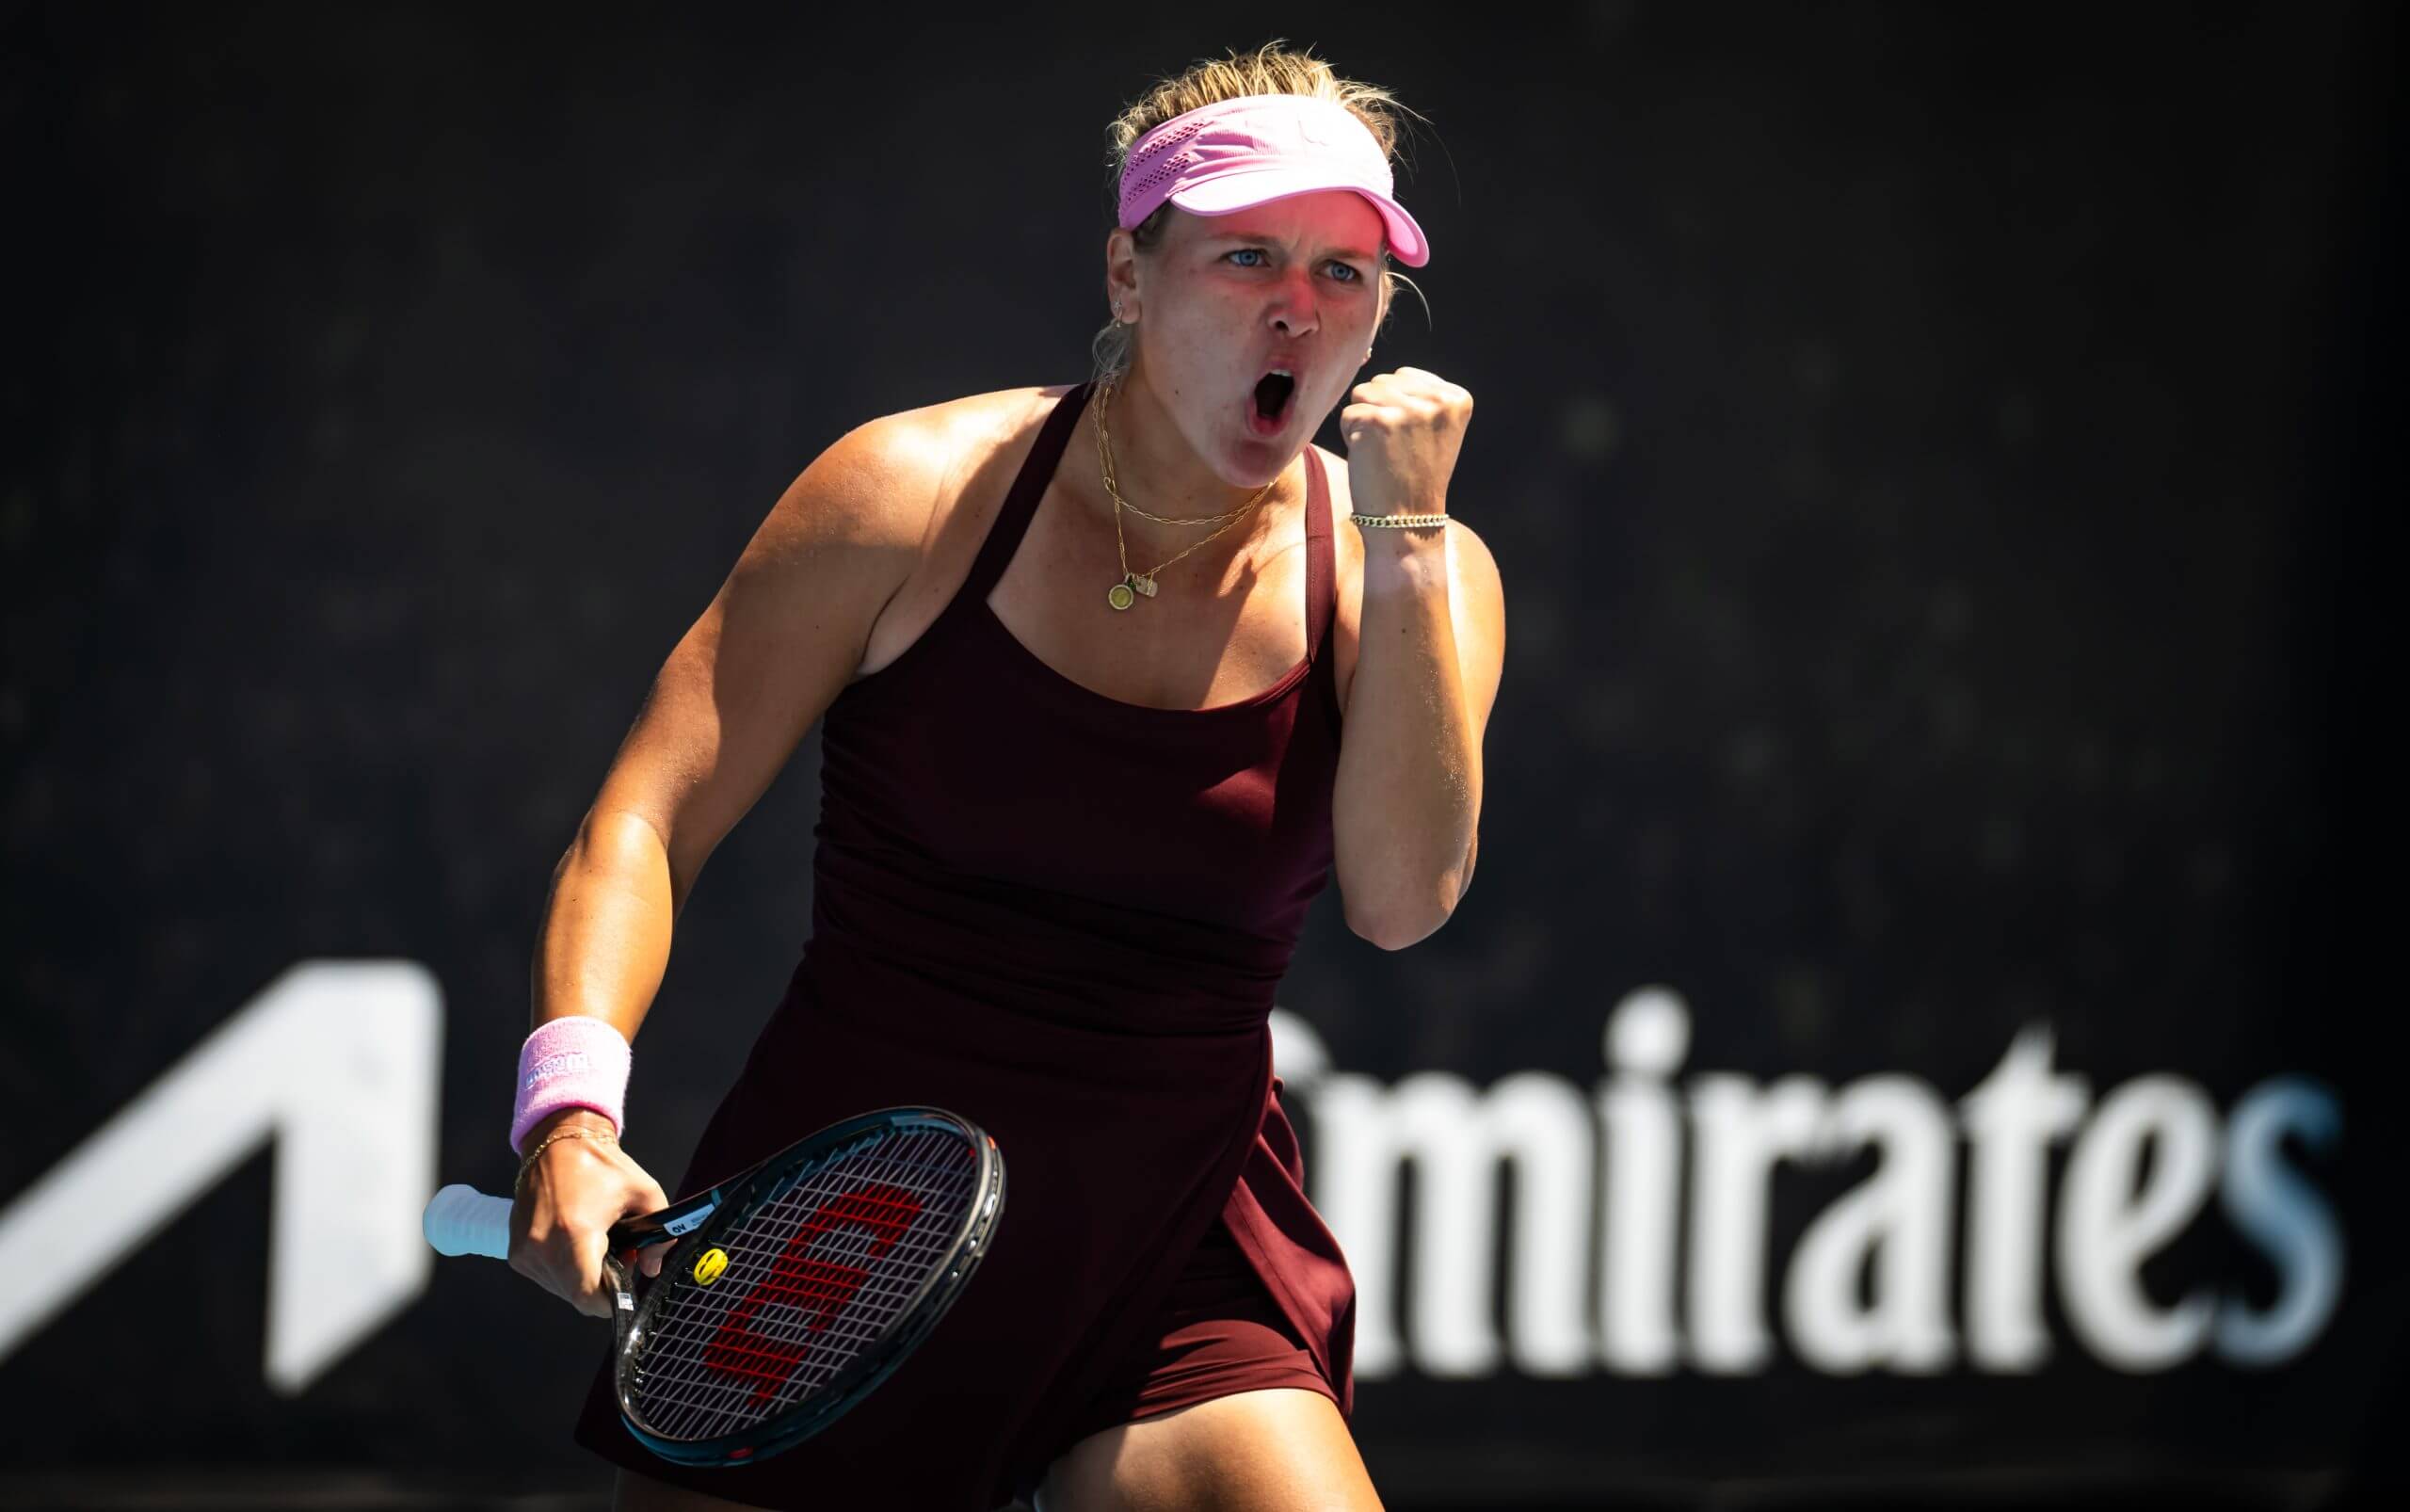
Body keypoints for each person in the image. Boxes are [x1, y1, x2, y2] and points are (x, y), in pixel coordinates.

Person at [505, 40, 1504, 1512]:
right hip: (840, 1232)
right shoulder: (905, 498)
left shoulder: (1407, 573)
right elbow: (646, 819)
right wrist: (569, 1119)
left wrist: (1411, 542)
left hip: (1174, 1245)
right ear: (1127, 277)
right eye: (1244, 257)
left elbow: (1407, 898)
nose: (1300, 305)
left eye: (1345, 273)